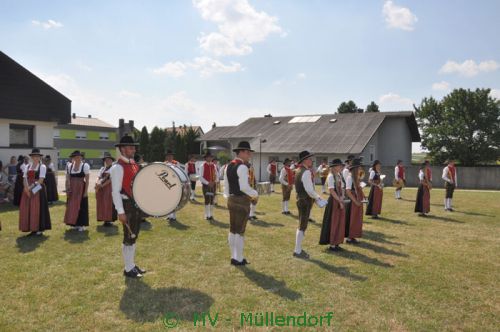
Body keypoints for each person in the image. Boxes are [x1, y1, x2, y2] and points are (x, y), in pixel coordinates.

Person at [111, 135, 146, 278]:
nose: (134, 149)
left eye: (134, 147)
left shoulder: (133, 164)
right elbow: (115, 192)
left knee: (134, 235)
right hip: (126, 205)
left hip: (135, 205)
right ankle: (128, 268)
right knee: (128, 236)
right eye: (130, 147)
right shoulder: (117, 167)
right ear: (122, 149)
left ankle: (131, 264)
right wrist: (120, 211)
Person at [223, 141, 259, 266]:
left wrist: (229, 197)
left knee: (233, 230)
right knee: (240, 231)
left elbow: (226, 187)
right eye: (248, 152)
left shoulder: (228, 166)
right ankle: (239, 258)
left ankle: (234, 257)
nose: (249, 155)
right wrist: (255, 194)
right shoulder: (243, 167)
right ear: (242, 152)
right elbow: (244, 187)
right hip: (241, 200)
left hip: (231, 199)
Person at [293, 150, 327, 259]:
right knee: (302, 225)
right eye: (309, 158)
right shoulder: (306, 172)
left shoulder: (299, 170)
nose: (311, 160)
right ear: (304, 160)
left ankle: (298, 249)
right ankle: (297, 250)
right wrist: (318, 198)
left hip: (300, 199)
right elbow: (309, 190)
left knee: (302, 224)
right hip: (305, 200)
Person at [18, 148, 51, 236]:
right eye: (34, 156)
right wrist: (26, 188)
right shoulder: (27, 166)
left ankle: (39, 228)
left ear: (40, 157)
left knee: (37, 206)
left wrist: (31, 188)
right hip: (27, 187)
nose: (35, 158)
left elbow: (41, 180)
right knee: (28, 207)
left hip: (38, 187)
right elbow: (24, 178)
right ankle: (31, 227)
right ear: (31, 157)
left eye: (37, 156)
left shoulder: (42, 166)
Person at [319, 159, 346, 251]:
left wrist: (342, 196)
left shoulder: (338, 175)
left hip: (339, 199)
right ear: (334, 167)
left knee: (339, 221)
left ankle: (337, 242)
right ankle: (332, 244)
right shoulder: (330, 176)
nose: (341, 167)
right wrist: (339, 201)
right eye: (339, 166)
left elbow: (342, 187)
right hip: (334, 201)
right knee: (333, 221)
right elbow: (331, 190)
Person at [63, 150, 90, 231]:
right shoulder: (69, 166)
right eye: (75, 157)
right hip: (72, 188)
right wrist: (67, 189)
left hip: (81, 188)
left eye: (78, 157)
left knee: (80, 206)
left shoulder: (85, 165)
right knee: (71, 206)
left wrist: (85, 192)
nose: (77, 158)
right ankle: (73, 223)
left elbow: (87, 180)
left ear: (81, 157)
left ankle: (81, 225)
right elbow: (67, 178)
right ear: (73, 158)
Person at [345, 158, 365, 244]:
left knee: (357, 218)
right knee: (352, 218)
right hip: (352, 201)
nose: (360, 169)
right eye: (358, 167)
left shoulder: (356, 177)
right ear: (355, 168)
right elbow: (348, 191)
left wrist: (363, 196)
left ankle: (353, 236)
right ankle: (349, 237)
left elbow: (359, 188)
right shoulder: (350, 177)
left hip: (357, 199)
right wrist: (355, 201)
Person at [96, 152, 117, 227]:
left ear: (111, 161)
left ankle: (109, 220)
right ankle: (104, 219)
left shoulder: (113, 168)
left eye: (109, 160)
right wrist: (97, 183)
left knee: (108, 203)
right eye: (106, 160)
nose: (107, 161)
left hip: (109, 188)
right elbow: (98, 177)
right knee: (102, 203)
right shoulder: (102, 168)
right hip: (102, 188)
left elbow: (110, 179)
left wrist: (102, 185)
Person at [200, 152, 219, 220]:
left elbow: (217, 175)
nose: (210, 158)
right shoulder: (203, 165)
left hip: (213, 185)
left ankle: (211, 214)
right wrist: (208, 183)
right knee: (207, 199)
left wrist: (214, 182)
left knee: (212, 200)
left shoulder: (214, 165)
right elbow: (201, 177)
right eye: (208, 157)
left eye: (211, 157)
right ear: (205, 158)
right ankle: (207, 215)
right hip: (206, 186)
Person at [164, 149, 179, 221]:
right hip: (166, 183)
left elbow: (179, 173)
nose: (169, 157)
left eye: (171, 156)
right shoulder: (164, 164)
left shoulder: (176, 163)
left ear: (172, 156)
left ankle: (174, 216)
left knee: (174, 200)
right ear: (166, 157)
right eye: (168, 156)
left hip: (174, 183)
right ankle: (169, 215)